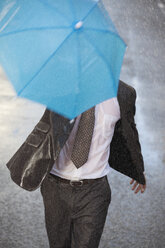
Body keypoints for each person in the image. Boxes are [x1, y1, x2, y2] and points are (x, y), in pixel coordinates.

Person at [7, 80, 146, 248]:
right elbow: (46, 125)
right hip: (55, 189)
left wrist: (138, 169)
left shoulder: (124, 94)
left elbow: (129, 132)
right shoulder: (64, 86)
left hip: (94, 192)